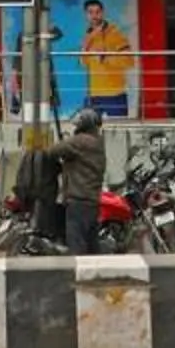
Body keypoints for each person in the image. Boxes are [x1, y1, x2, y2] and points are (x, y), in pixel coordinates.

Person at [58, 106, 107, 255]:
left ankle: (79, 277)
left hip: (78, 201)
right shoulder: (97, 142)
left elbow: (54, 151)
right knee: (92, 245)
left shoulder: (80, 141)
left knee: (77, 246)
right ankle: (95, 276)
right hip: (92, 201)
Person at [79, 0, 134, 119]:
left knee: (118, 133)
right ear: (86, 15)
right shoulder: (87, 35)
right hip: (94, 93)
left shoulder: (115, 33)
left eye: (97, 12)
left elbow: (129, 61)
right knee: (89, 132)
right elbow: (83, 63)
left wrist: (105, 57)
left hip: (115, 93)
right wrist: (86, 44)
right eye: (90, 12)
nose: (94, 16)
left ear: (103, 13)